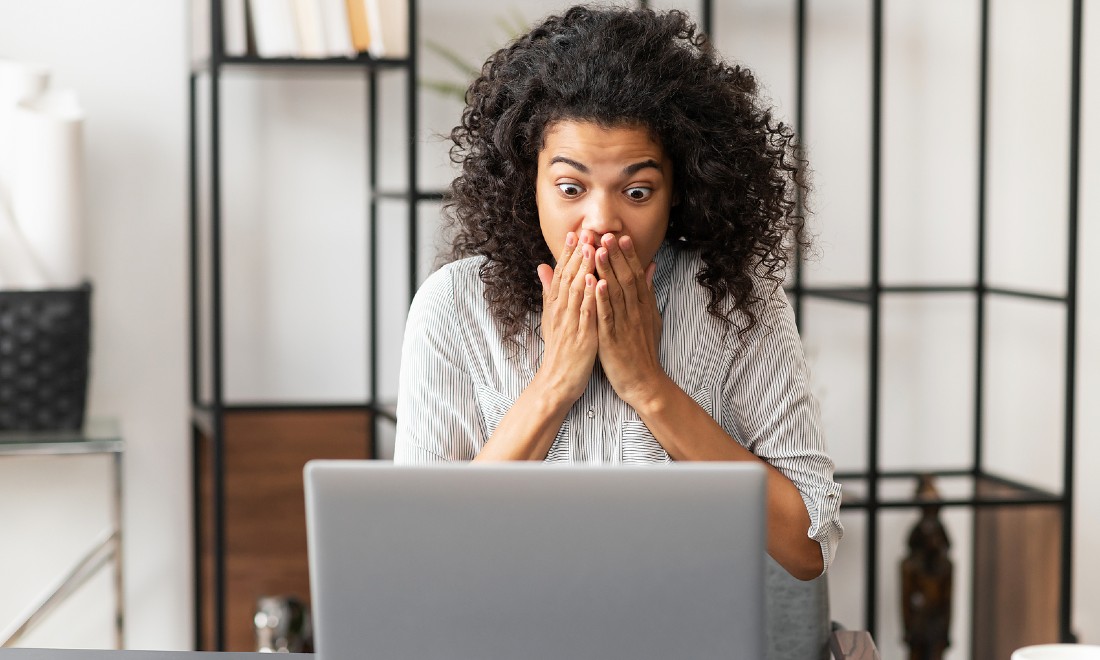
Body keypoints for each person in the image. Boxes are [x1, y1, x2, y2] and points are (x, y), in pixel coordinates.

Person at [394, 5, 842, 581]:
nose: (601, 222)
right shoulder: (454, 306)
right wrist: (556, 381)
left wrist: (649, 386)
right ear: (525, 182)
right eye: (570, 187)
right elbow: (419, 558)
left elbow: (810, 546)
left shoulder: (734, 302)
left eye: (636, 191)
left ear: (680, 188)